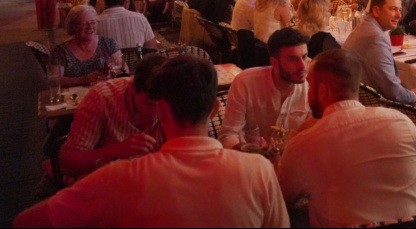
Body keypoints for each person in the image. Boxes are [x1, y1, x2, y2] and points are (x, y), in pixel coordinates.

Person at [16, 55, 290, 228]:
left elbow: (26, 221)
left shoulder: (119, 178)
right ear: (215, 109)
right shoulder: (261, 171)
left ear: (162, 109)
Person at [277, 48, 416, 227]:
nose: (308, 94)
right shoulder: (402, 122)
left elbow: (280, 201)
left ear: (322, 91)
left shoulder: (303, 144)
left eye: (310, 86)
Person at [57, 53, 167, 179]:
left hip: (152, 182)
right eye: (150, 105)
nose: (159, 113)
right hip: (103, 182)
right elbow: (68, 163)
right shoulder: (101, 98)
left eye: (165, 106)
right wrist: (117, 150)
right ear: (132, 88)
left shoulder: (175, 101)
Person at [219, 27, 311, 149]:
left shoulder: (311, 85)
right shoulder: (245, 82)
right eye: (292, 59)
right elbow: (228, 135)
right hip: (251, 156)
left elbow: (313, 133)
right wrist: (254, 155)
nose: (302, 66)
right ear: (275, 63)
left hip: (292, 156)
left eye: (304, 57)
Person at [344, 0, 416, 103]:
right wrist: (413, 96)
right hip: (369, 105)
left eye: (400, 10)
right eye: (393, 9)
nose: (399, 15)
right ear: (376, 11)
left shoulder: (366, 27)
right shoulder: (375, 37)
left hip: (356, 98)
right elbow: (392, 91)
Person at [50, 5, 124, 88]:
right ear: (72, 26)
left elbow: (124, 69)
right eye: (84, 24)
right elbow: (54, 80)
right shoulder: (60, 51)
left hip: (103, 92)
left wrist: (113, 70)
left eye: (93, 22)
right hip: (74, 95)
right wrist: (84, 80)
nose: (90, 27)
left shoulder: (108, 43)